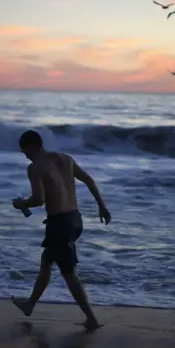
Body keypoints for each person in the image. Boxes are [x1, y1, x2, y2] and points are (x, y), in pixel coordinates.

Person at [11, 130, 111, 330]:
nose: (26, 157)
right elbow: (89, 180)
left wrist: (21, 204)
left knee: (68, 272)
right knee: (47, 260)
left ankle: (91, 318)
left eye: (25, 152)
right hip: (75, 219)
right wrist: (102, 206)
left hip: (59, 223)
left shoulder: (35, 167)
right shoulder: (66, 159)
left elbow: (39, 200)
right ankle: (29, 304)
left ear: (31, 147)